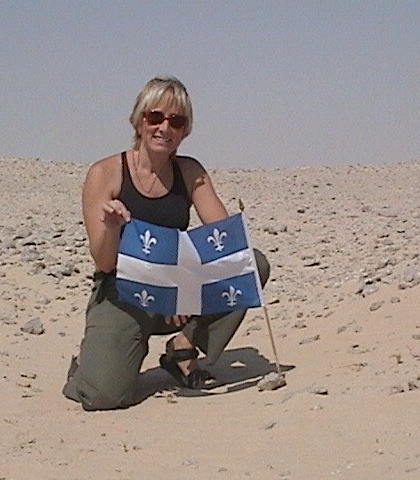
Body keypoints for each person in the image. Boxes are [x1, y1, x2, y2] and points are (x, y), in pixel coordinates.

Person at [62, 76, 270, 410]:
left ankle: (183, 348)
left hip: (175, 292)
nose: (164, 128)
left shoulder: (190, 172)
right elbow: (103, 263)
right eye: (155, 117)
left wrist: (185, 286)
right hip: (123, 294)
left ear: (185, 130)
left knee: (251, 264)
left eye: (176, 121)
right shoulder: (105, 173)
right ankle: (87, 370)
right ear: (139, 120)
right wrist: (112, 227)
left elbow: (224, 243)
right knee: (103, 396)